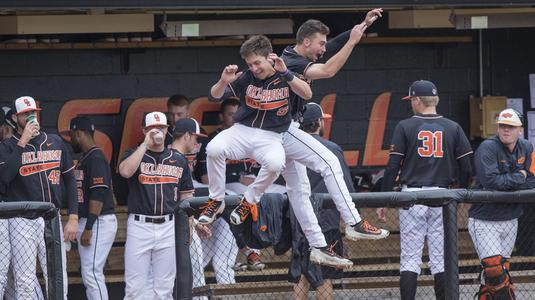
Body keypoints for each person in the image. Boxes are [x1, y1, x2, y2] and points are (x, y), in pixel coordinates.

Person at [197, 35, 351, 267]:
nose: (254, 68)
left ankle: (249, 201)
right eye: (250, 64)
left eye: (257, 62)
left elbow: (307, 94)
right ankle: (216, 199)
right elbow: (214, 95)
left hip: (272, 135)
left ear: (270, 57)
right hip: (244, 130)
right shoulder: (247, 76)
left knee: (277, 164)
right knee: (214, 148)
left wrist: (286, 73)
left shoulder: (284, 72)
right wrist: (222, 81)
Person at [278, 9, 389, 249]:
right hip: (283, 129)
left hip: (283, 129)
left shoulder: (296, 52)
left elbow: (330, 47)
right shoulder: (291, 61)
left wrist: (362, 25)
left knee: (300, 190)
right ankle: (354, 223)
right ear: (306, 41)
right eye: (319, 44)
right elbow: (328, 70)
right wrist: (352, 42)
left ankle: (318, 246)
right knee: (329, 162)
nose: (323, 49)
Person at [380, 80, 473, 300]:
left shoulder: (405, 126)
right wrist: (460, 191)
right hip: (442, 196)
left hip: (412, 196)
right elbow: (467, 167)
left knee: (410, 258)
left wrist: (383, 199)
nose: (411, 103)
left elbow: (393, 166)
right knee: (440, 258)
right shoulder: (453, 127)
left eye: (412, 99)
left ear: (418, 100)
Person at [0, 96, 79, 299]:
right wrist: (23, 142)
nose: (31, 117)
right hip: (21, 220)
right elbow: (5, 177)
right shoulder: (8, 146)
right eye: (26, 114)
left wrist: (73, 217)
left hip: (52, 218)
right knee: (25, 279)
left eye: (33, 112)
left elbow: (70, 179)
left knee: (57, 274)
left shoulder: (54, 141)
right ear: (16, 118)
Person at [119, 112, 194, 299]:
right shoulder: (133, 154)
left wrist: (190, 222)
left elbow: (186, 195)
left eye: (161, 128)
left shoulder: (178, 159)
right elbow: (125, 172)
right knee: (135, 288)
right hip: (140, 225)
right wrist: (145, 144)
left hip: (168, 226)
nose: (158, 132)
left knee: (165, 288)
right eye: (153, 128)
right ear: (144, 130)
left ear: (168, 130)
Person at [468, 108, 535, 299]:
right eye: (503, 126)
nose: (506, 130)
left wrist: (511, 179)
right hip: (484, 219)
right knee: (494, 270)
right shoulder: (487, 147)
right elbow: (491, 182)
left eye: (511, 127)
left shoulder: (527, 147)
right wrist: (519, 177)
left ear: (520, 129)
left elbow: (533, 180)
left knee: (500, 272)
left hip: (510, 218)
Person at [290, 102, 348, 300]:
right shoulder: (332, 149)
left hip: (301, 221)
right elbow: (346, 187)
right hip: (327, 222)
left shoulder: (291, 149)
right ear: (318, 123)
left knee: (301, 276)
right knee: (324, 275)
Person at [171, 117, 238, 285]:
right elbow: (183, 201)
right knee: (193, 276)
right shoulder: (178, 160)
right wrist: (194, 223)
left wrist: (197, 223)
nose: (196, 143)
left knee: (196, 271)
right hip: (179, 226)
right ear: (186, 136)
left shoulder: (175, 159)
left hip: (191, 224)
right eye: (195, 137)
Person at [68, 116, 117, 300]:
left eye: (71, 135)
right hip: (93, 221)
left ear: (78, 133)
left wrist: (89, 227)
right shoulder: (87, 158)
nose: (70, 139)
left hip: (98, 222)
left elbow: (98, 194)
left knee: (92, 273)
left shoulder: (95, 157)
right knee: (90, 273)